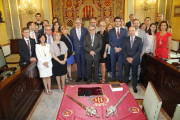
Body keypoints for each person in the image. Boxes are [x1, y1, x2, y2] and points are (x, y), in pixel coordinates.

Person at [122, 26, 143, 93]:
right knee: (126, 73)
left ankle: (134, 86)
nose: (131, 32)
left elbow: (139, 51)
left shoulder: (139, 39)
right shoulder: (125, 39)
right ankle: (125, 86)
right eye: (130, 31)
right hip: (127, 59)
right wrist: (128, 58)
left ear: (135, 31)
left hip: (135, 59)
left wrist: (133, 58)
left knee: (135, 73)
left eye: (132, 30)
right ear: (128, 31)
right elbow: (123, 50)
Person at [109, 16, 128, 83]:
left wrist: (120, 48)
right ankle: (113, 77)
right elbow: (110, 41)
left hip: (121, 51)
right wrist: (115, 48)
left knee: (120, 65)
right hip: (113, 50)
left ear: (121, 22)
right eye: (116, 21)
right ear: (114, 22)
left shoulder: (124, 31)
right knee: (113, 64)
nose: (117, 22)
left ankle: (120, 77)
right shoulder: (111, 31)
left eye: (119, 21)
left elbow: (125, 41)